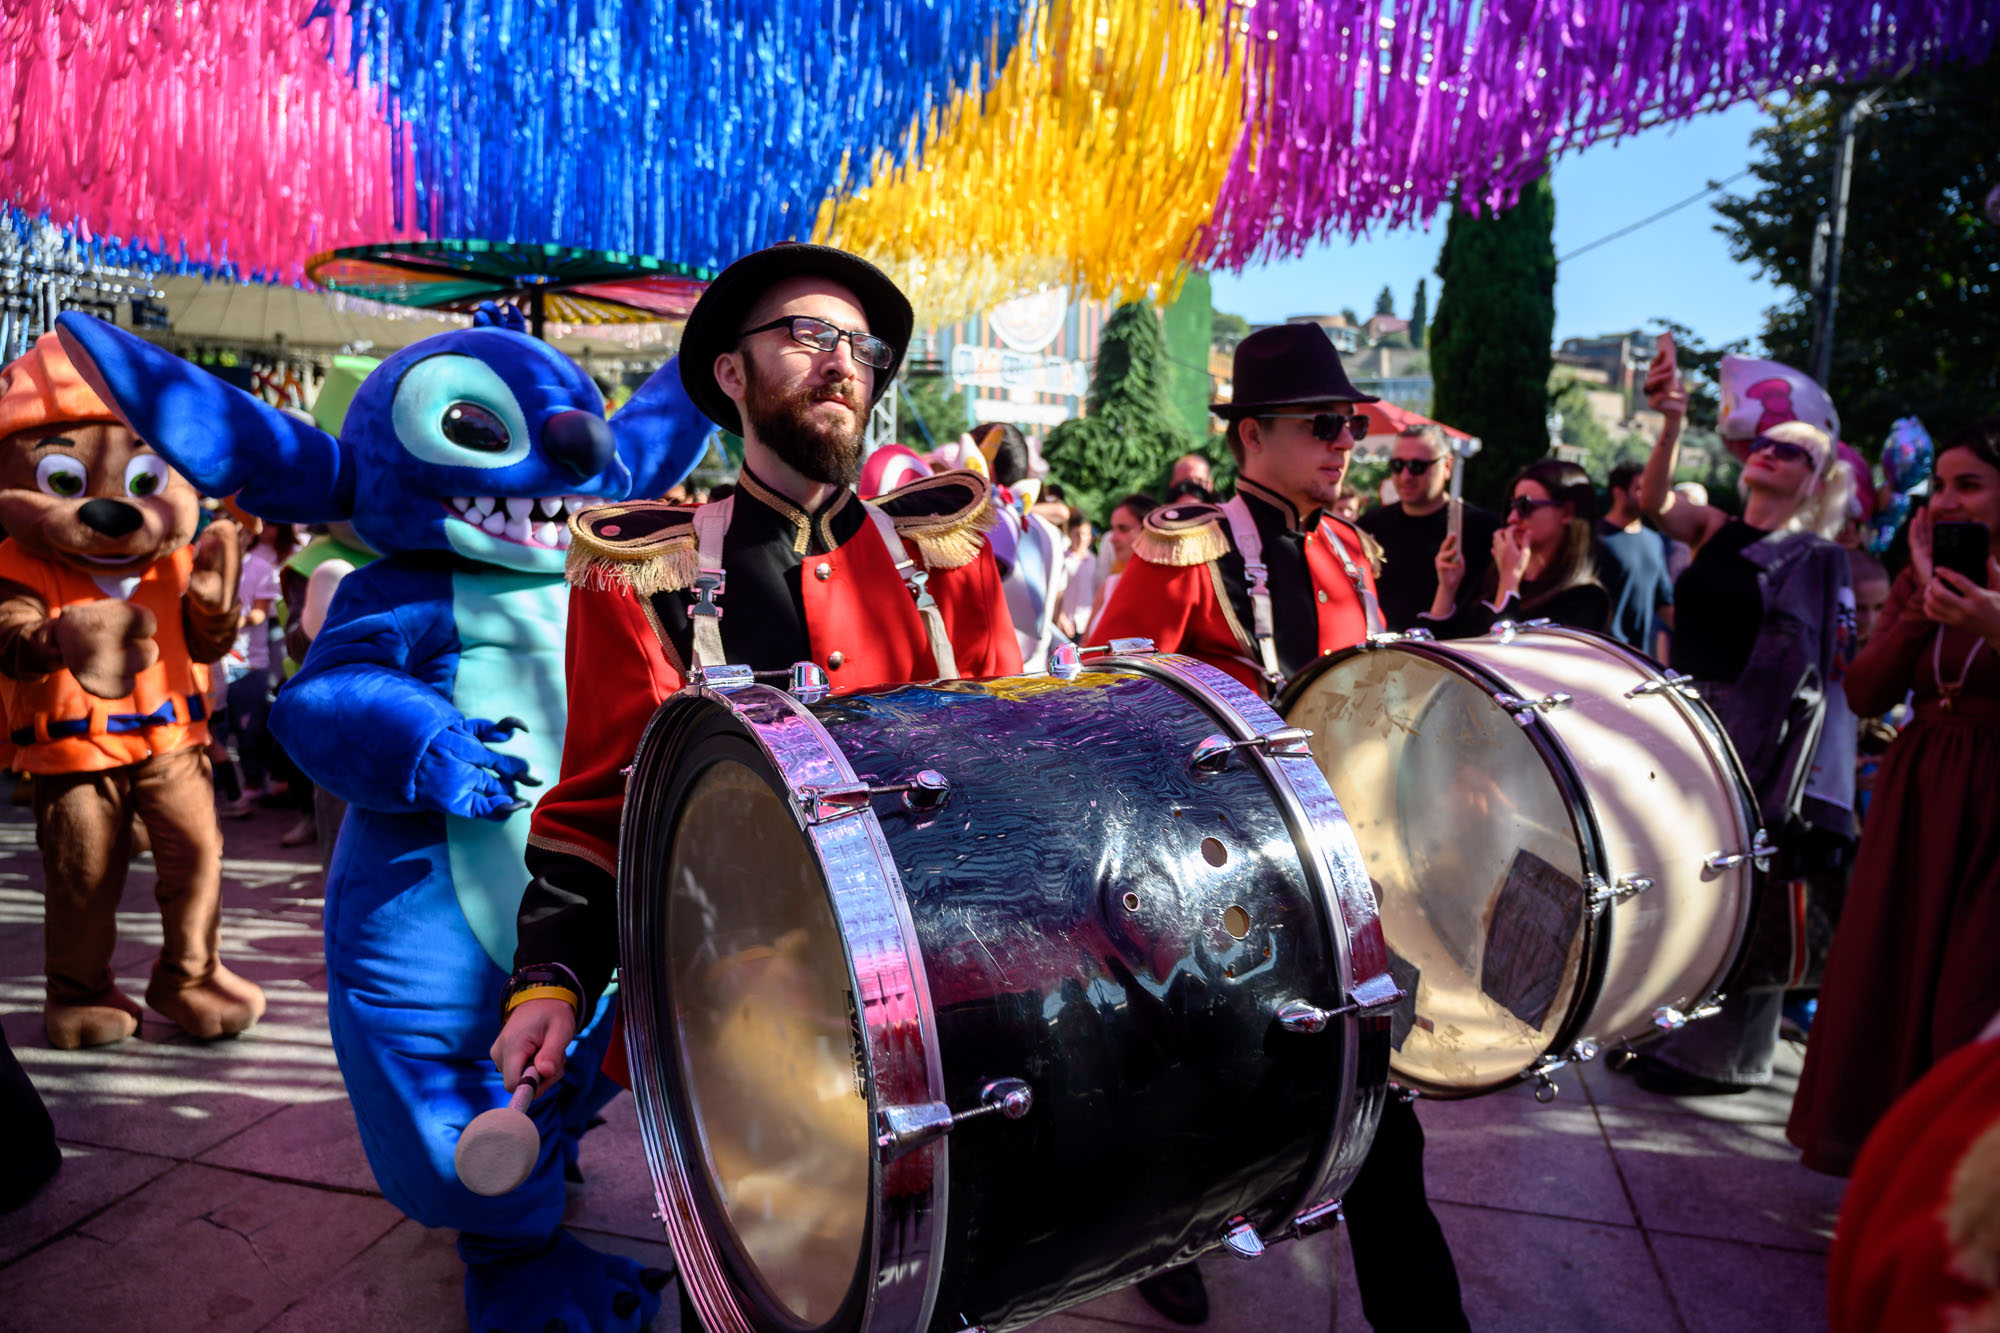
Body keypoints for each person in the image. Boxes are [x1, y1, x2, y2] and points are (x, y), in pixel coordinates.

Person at [493, 244, 1022, 1330]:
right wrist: (550, 977)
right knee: (753, 1300)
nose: (842, 362)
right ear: (730, 375)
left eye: (861, 346)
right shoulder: (648, 571)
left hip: (943, 1012)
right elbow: (600, 806)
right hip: (741, 1038)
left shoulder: (947, 555)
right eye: (807, 335)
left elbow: (1011, 781)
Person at [1093, 322, 1466, 1332]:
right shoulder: (1188, 547)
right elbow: (1100, 703)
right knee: (1203, 1091)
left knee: (1382, 1122)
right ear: (1250, 435)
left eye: (1349, 424)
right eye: (1321, 424)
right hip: (1221, 880)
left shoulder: (1348, 547)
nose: (1344, 442)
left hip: (1340, 873)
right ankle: (1169, 1243)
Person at [1621, 361, 1852, 1097]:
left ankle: (1722, 1057)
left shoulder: (1820, 557)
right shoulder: (1714, 527)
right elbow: (1653, 502)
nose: (1772, 452)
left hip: (1764, 743)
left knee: (1746, 888)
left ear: (1816, 482)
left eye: (1794, 451)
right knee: (1679, 874)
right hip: (1690, 721)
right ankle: (1659, 1028)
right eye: (1768, 443)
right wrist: (1672, 423)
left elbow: (1821, 674)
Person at [1788, 419, 2000, 1176]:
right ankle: (1893, 1168)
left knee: (1969, 1001)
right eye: (1938, 485)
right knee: (1890, 979)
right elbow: (1867, 689)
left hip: (1992, 811)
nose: (1945, 501)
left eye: (1968, 484)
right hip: (1919, 801)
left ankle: (1959, 1181)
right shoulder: (1921, 577)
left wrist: (1993, 624)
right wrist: (1918, 598)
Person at [1426, 459, 1610, 636]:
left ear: (1568, 512)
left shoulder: (1587, 598)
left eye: (1524, 506)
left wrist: (1509, 580)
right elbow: (1441, 645)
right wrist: (1447, 588)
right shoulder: (1493, 576)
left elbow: (1503, 651)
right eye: (1511, 505)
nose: (1512, 518)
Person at [1359, 423, 1500, 630]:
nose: (1406, 476)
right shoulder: (1368, 527)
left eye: (1417, 466)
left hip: (1454, 645)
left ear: (1447, 466)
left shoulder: (1483, 528)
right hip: (1383, 645)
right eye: (1397, 465)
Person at [1597, 459, 1675, 657]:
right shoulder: (1595, 537)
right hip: (1601, 654)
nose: (1648, 495)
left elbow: (1664, 602)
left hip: (1638, 660)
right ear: (1618, 493)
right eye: (1640, 489)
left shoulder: (1654, 540)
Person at [1083, 492, 1156, 639]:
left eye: (1123, 529)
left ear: (1148, 531)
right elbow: (1086, 644)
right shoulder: (1110, 585)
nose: (1113, 538)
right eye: (1113, 529)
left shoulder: (1163, 591)